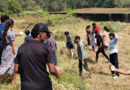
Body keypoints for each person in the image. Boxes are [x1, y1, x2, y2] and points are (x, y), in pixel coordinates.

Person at [14, 23, 62, 90]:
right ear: (41, 34)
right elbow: (52, 70)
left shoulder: (21, 48)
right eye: (45, 34)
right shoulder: (46, 47)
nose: (46, 36)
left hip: (26, 87)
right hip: (44, 86)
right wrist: (57, 73)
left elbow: (16, 69)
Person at [0, 19, 16, 84]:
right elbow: (13, 44)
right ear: (12, 24)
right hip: (10, 50)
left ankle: (5, 79)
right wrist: (15, 53)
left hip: (5, 49)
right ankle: (13, 80)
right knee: (13, 64)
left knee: (5, 63)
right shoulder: (11, 33)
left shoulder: (3, 32)